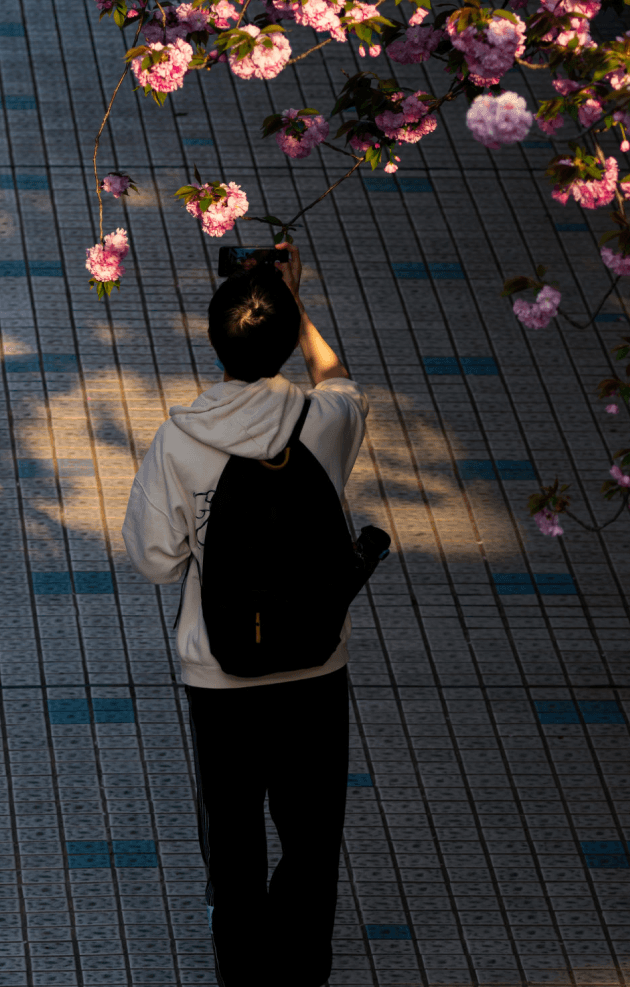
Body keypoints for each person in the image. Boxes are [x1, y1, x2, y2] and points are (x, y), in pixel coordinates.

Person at [121, 243, 368, 987]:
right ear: (288, 337)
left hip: (220, 672)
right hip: (316, 661)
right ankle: (302, 967)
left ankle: (244, 970)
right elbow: (337, 374)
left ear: (213, 342)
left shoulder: (178, 440)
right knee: (312, 829)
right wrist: (296, 298)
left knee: (233, 836)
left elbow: (155, 561)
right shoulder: (323, 421)